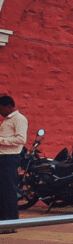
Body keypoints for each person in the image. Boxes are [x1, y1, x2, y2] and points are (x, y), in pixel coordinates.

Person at [0, 95, 28, 233]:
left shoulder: (19, 119)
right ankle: (3, 223)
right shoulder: (7, 120)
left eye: (1, 108)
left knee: (8, 192)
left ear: (9, 106)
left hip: (10, 158)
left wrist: (1, 140)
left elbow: (21, 139)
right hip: (3, 157)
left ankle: (10, 224)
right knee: (2, 192)